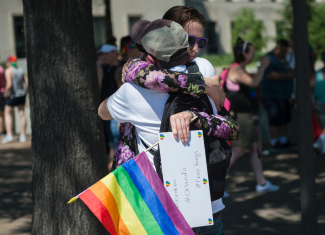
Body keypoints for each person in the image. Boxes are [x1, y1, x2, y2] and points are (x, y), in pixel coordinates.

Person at [100, 18, 238, 235]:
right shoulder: (203, 71)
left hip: (160, 209)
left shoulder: (132, 92)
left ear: (150, 56)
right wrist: (197, 116)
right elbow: (232, 128)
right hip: (209, 206)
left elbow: (103, 112)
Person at [225, 38, 279, 193]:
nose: (254, 55)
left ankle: (261, 183)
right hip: (242, 117)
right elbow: (254, 82)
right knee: (239, 150)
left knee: (256, 148)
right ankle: (213, 186)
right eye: (252, 52)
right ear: (244, 53)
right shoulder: (236, 70)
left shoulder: (240, 68)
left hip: (249, 115)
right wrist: (262, 67)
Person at [260, 39, 294, 151]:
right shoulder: (268, 59)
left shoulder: (281, 59)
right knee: (274, 120)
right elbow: (270, 75)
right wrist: (287, 75)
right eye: (283, 51)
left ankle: (283, 142)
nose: (285, 53)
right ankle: (274, 143)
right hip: (272, 96)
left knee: (283, 120)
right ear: (277, 48)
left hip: (282, 96)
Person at [96, 42, 120, 169]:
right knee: (111, 141)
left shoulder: (121, 69)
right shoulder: (105, 68)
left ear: (114, 53)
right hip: (107, 110)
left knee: (116, 140)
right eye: (101, 54)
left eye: (106, 54)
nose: (102, 56)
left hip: (116, 111)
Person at [2, 56, 28, 143]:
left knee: (7, 114)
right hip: (21, 95)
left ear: (9, 62)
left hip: (12, 96)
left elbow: (9, 84)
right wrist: (25, 93)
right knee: (22, 114)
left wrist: (5, 93)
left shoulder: (8, 70)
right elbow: (27, 83)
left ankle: (9, 135)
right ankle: (23, 135)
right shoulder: (20, 70)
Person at [0, 55, 6, 138]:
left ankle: (0, 131)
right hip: (3, 92)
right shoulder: (1, 68)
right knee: (3, 113)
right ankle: (5, 130)